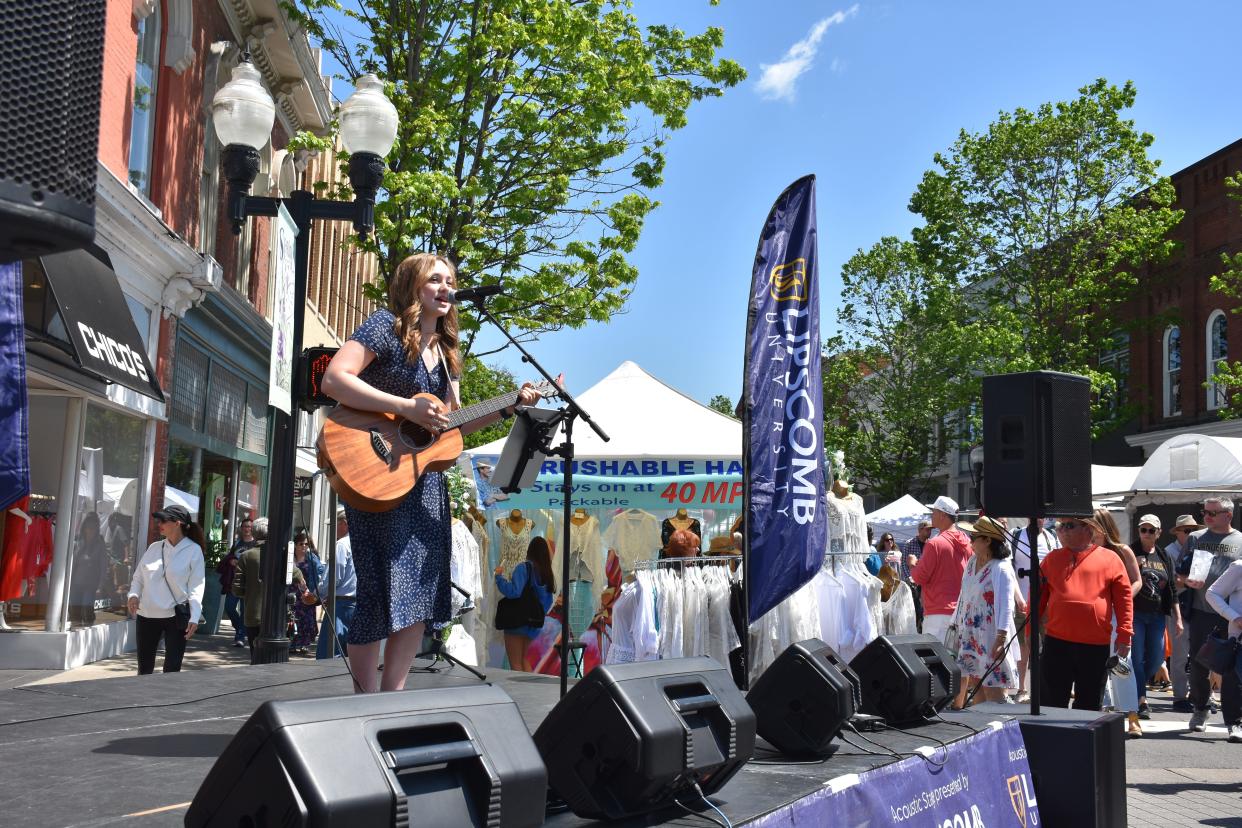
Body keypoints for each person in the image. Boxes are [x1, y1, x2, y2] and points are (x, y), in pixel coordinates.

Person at [320, 252, 540, 692]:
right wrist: (404, 407)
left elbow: (452, 426)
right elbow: (334, 379)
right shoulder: (384, 327)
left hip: (423, 485)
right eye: (435, 279)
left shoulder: (446, 352)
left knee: (418, 595)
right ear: (412, 286)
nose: (445, 287)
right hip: (376, 471)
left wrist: (508, 406)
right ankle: (363, 698)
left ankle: (392, 698)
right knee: (379, 593)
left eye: (450, 280)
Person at [1038, 516, 1133, 711]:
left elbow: (1124, 598)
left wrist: (1125, 634)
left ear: (1088, 530)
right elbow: (1037, 598)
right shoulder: (1051, 558)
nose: (1062, 530)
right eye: (1060, 526)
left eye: (1069, 525)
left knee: (1089, 704)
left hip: (1095, 644)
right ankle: (1053, 741)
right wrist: (1030, 631)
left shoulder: (1110, 558)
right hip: (1057, 641)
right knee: (1051, 702)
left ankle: (1082, 741)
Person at [1176, 497, 1242, 733]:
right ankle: (1201, 708)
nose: (1207, 517)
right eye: (1205, 512)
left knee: (1233, 668)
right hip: (1202, 610)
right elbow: (1179, 574)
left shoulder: (1240, 541)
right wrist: (1187, 581)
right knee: (1198, 664)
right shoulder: (1195, 538)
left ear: (1228, 515)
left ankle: (1234, 720)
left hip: (1232, 614)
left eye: (1213, 513)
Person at [127, 504, 206, 675]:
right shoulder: (154, 548)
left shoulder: (193, 550)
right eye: (158, 519)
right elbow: (138, 577)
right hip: (146, 614)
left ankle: (167, 701)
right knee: (144, 669)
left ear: (177, 523)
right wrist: (133, 595)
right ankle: (143, 701)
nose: (159, 523)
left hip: (175, 616)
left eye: (164, 520)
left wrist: (195, 615)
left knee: (171, 670)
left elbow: (197, 586)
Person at [952, 516, 1022, 706]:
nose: (970, 540)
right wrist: (956, 625)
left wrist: (1000, 640)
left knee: (993, 691)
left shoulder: (1000, 568)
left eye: (974, 537)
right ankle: (981, 728)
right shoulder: (971, 563)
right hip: (971, 635)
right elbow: (963, 596)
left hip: (991, 636)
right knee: (976, 687)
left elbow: (1007, 605)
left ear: (988, 540)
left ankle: (1001, 729)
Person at [1131, 514, 1181, 728]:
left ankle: (1139, 685)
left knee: (1157, 657)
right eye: (1144, 530)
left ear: (1159, 533)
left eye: (1152, 530)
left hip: (1158, 614)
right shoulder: (1131, 552)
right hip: (1136, 613)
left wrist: (1177, 617)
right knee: (1137, 656)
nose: (1147, 534)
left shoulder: (1164, 556)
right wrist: (1136, 568)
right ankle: (1141, 700)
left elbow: (1171, 588)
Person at [232, 517, 305, 665]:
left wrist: (252, 593)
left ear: (254, 533)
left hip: (253, 615)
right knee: (275, 660)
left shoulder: (246, 556)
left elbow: (237, 589)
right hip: (277, 616)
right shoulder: (281, 554)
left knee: (256, 655)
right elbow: (298, 577)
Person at [1008, 517, 1056, 704]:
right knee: (1023, 646)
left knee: (1049, 645)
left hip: (1046, 602)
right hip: (1022, 602)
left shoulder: (1051, 537)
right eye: (1035, 516)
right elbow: (1010, 569)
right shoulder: (1016, 536)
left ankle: (1048, 686)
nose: (1039, 520)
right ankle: (1022, 688)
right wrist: (1018, 597)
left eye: (1042, 517)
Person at [910, 496, 972, 640]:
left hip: (937, 613)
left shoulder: (935, 543)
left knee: (936, 661)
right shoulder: (967, 542)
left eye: (934, 511)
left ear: (943, 515)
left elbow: (919, 577)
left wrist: (913, 564)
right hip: (961, 611)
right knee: (956, 661)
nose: (932, 514)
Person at [494, 536, 556, 672]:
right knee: (524, 660)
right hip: (534, 625)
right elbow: (548, 602)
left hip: (516, 622)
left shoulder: (524, 568)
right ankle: (530, 691)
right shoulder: (547, 573)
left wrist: (499, 577)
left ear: (530, 551)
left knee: (515, 663)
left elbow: (514, 592)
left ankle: (519, 693)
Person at [1166, 514, 1204, 712]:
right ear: (1178, 532)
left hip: (1197, 606)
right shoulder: (1169, 552)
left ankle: (1200, 697)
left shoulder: (1199, 549)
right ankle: (1180, 697)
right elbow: (1171, 583)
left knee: (1200, 656)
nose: (1191, 534)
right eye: (1187, 531)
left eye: (1194, 530)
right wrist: (1191, 581)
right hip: (1178, 606)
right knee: (1180, 655)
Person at [1205, 558, 1242, 743]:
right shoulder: (1239, 567)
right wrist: (1235, 617)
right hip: (1239, 634)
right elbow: (1212, 593)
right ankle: (1235, 723)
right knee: (1235, 679)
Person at [317, 509, 357, 659]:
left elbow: (333, 577)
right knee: (351, 657)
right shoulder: (362, 544)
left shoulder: (342, 545)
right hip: (358, 605)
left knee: (329, 654)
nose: (332, 530)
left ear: (345, 524)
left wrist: (316, 596)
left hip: (340, 606)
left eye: (334, 525)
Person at [217, 517, 254, 648]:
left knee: (245, 611)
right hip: (234, 581)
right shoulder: (238, 543)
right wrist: (231, 560)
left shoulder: (255, 544)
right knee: (229, 607)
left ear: (253, 528)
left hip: (249, 583)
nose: (247, 529)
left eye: (249, 526)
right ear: (241, 528)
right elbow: (230, 556)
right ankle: (240, 629)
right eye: (245, 526)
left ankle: (240, 637)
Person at [289, 531, 324, 655]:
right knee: (293, 620)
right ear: (295, 545)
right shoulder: (290, 557)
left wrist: (316, 591)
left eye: (306, 544)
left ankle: (304, 644)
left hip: (306, 594)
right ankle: (292, 644)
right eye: (301, 544)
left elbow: (320, 572)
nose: (304, 546)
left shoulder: (312, 558)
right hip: (292, 593)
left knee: (307, 620)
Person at [69, 512, 107, 626]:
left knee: (87, 609)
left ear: (96, 530)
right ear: (84, 528)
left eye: (93, 528)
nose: (90, 531)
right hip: (76, 582)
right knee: (74, 610)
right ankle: (75, 631)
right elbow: (72, 563)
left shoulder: (100, 544)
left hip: (90, 585)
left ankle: (88, 631)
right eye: (88, 528)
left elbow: (103, 565)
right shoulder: (78, 542)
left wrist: (101, 585)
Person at [903, 519, 931, 630]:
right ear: (920, 530)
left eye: (930, 530)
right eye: (927, 529)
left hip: (926, 582)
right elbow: (904, 563)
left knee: (925, 607)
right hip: (913, 583)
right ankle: (916, 627)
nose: (929, 532)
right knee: (914, 607)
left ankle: (922, 626)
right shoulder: (909, 543)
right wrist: (909, 579)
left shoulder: (932, 544)